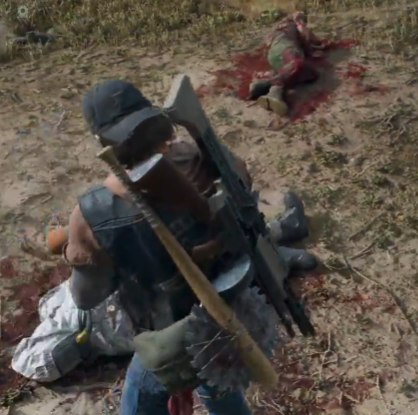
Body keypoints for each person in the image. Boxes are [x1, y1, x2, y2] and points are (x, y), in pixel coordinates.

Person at [62, 80, 318, 415]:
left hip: (174, 335)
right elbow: (241, 194)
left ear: (104, 143)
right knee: (219, 384)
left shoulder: (94, 213)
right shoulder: (199, 155)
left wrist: (84, 246)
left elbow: (85, 297)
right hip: (236, 311)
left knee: (141, 400)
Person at [14, 196, 313, 383]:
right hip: (131, 318)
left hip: (118, 290)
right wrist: (79, 344)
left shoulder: (51, 311)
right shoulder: (73, 339)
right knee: (207, 284)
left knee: (187, 247)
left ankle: (281, 232)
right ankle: (281, 256)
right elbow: (32, 365)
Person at [248, 11, 328, 117]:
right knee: (297, 63)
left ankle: (264, 85)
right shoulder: (293, 22)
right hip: (286, 47)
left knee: (311, 73)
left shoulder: (278, 29)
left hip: (274, 55)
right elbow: (304, 33)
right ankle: (274, 89)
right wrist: (312, 48)